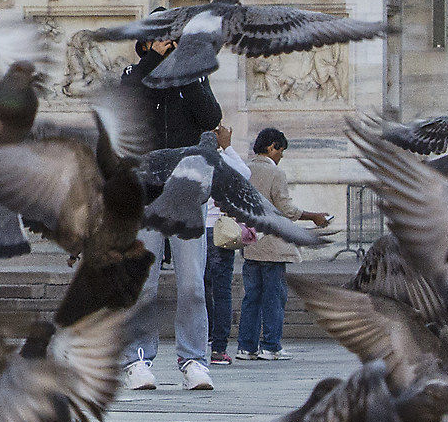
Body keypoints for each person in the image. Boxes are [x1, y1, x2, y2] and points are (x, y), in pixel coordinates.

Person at [119, 25, 223, 393]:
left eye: (172, 39)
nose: (168, 44)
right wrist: (153, 61)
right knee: (142, 285)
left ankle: (193, 359)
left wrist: (185, 69)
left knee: (193, 284)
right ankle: (136, 359)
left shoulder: (193, 77)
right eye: (160, 38)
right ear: (145, 42)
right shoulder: (134, 74)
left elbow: (210, 117)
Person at [238, 126, 332, 359]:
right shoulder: (275, 173)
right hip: (272, 245)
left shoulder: (244, 169)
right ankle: (271, 346)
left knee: (251, 298)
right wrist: (314, 216)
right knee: (274, 298)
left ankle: (246, 347)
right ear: (272, 147)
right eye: (281, 151)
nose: (281, 156)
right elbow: (286, 208)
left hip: (250, 244)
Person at [202, 124, 250, 367]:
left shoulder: (193, 160)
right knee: (221, 291)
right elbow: (245, 173)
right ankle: (218, 349)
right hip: (219, 231)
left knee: (199, 288)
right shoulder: (221, 161)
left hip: (197, 230)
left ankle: (202, 341)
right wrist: (228, 146)